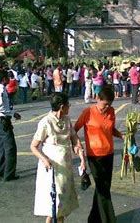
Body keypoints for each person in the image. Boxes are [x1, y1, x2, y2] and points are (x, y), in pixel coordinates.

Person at [31, 93, 86, 223]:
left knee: (63, 204)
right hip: (52, 168)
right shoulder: (46, 122)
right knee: (54, 203)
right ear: (62, 107)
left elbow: (75, 139)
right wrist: (44, 159)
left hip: (65, 167)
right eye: (68, 105)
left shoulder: (66, 120)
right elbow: (33, 146)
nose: (69, 107)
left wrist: (82, 158)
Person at [74, 87, 124, 223]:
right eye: (104, 104)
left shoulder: (111, 112)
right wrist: (77, 144)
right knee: (103, 190)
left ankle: (94, 219)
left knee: (104, 187)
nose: (106, 107)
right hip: (94, 156)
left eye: (109, 104)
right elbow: (74, 130)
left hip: (109, 153)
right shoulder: (88, 112)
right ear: (97, 99)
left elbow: (111, 129)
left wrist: (122, 136)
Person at [0, 70, 21, 181]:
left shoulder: (0, 90)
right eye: (8, 77)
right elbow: (0, 109)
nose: (10, 79)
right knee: (10, 147)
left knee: (2, 146)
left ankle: (1, 170)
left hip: (1, 120)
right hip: (2, 119)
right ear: (3, 79)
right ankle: (9, 174)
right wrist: (13, 114)